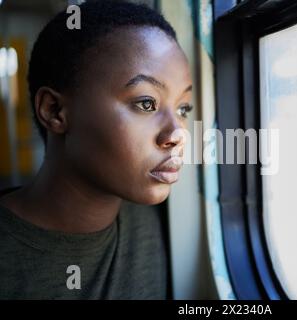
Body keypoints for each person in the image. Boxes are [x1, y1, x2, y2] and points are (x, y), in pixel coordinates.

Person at [0, 0, 193, 299]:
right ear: (55, 111)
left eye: (183, 108)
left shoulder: (159, 217)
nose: (178, 134)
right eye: (146, 103)